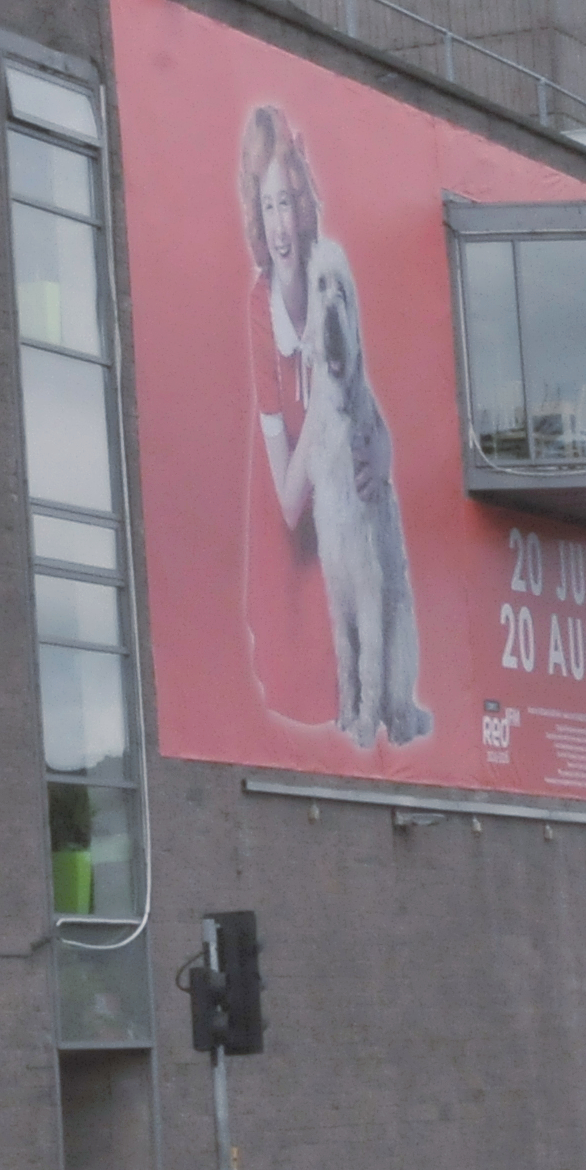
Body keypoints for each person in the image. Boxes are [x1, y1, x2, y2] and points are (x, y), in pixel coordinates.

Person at [236, 105, 349, 731]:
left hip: (336, 501)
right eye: (267, 205)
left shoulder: (330, 277)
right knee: (299, 688)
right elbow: (286, 501)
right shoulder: (261, 310)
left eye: (287, 202)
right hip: (292, 520)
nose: (280, 224)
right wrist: (328, 394)